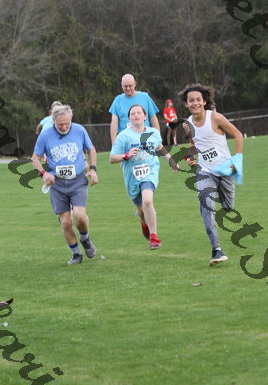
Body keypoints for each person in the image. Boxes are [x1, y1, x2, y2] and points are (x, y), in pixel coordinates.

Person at [179, 84, 243, 266]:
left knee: (228, 207)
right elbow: (193, 144)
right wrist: (191, 157)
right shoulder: (187, 124)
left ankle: (223, 198)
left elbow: (238, 135)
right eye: (191, 100)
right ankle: (216, 249)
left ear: (204, 101)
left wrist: (237, 160)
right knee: (205, 204)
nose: (195, 103)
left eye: (198, 99)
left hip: (225, 169)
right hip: (205, 171)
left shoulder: (215, 118)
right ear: (186, 104)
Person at [31, 104, 98, 265]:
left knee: (80, 216)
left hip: (78, 180)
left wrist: (93, 169)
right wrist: (43, 174)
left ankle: (85, 238)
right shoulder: (45, 135)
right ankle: (76, 254)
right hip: (57, 184)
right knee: (66, 221)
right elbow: (35, 158)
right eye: (61, 124)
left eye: (67, 123)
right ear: (53, 120)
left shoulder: (79, 130)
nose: (64, 127)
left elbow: (91, 149)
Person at [110, 104, 178, 249]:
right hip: (132, 177)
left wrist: (171, 161)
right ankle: (143, 221)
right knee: (141, 210)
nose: (136, 115)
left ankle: (154, 237)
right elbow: (112, 158)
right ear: (129, 118)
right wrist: (126, 155)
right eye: (132, 113)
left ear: (145, 116)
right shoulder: (123, 136)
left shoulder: (153, 132)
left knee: (147, 200)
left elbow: (159, 147)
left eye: (139, 112)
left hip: (149, 172)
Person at [109, 74, 160, 144]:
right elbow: (114, 123)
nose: (128, 88)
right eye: (125, 86)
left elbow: (153, 119)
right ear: (121, 85)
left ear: (135, 84)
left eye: (130, 86)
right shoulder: (117, 100)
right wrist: (114, 144)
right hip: (126, 142)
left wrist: (158, 139)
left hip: (145, 140)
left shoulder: (145, 97)